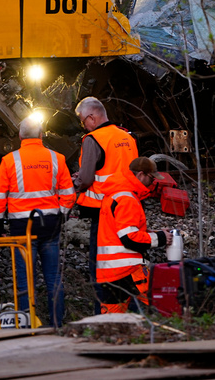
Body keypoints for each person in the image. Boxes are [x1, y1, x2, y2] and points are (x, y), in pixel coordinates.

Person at [0, 117, 75, 327]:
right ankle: (57, 323)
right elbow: (69, 194)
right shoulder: (57, 158)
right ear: (41, 135)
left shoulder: (10, 161)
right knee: (53, 276)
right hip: (50, 226)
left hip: (21, 228)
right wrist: (61, 216)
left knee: (25, 279)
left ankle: (27, 325)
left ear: (20, 136)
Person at [72, 96, 138, 311]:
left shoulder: (93, 139)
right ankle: (131, 310)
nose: (84, 126)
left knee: (102, 267)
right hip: (129, 209)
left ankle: (104, 314)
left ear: (91, 117)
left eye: (83, 121)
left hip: (103, 214)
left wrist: (77, 181)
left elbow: (88, 179)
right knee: (128, 262)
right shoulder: (127, 137)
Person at [96, 156, 175, 314]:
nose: (153, 183)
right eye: (151, 178)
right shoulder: (127, 199)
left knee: (110, 320)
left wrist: (148, 234)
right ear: (140, 175)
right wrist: (160, 238)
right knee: (154, 310)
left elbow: (117, 231)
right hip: (128, 269)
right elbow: (129, 238)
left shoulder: (114, 193)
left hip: (108, 271)